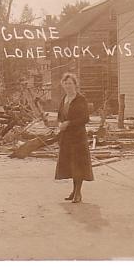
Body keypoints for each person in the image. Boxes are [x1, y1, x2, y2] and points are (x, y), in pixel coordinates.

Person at [55, 72, 94, 203]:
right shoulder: (64, 99)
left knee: (78, 166)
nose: (68, 86)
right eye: (65, 83)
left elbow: (85, 118)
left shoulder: (80, 99)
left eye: (70, 83)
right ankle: (73, 191)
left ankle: (78, 193)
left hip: (78, 138)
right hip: (66, 137)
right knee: (71, 165)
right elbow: (60, 116)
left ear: (75, 85)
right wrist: (60, 123)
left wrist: (69, 123)